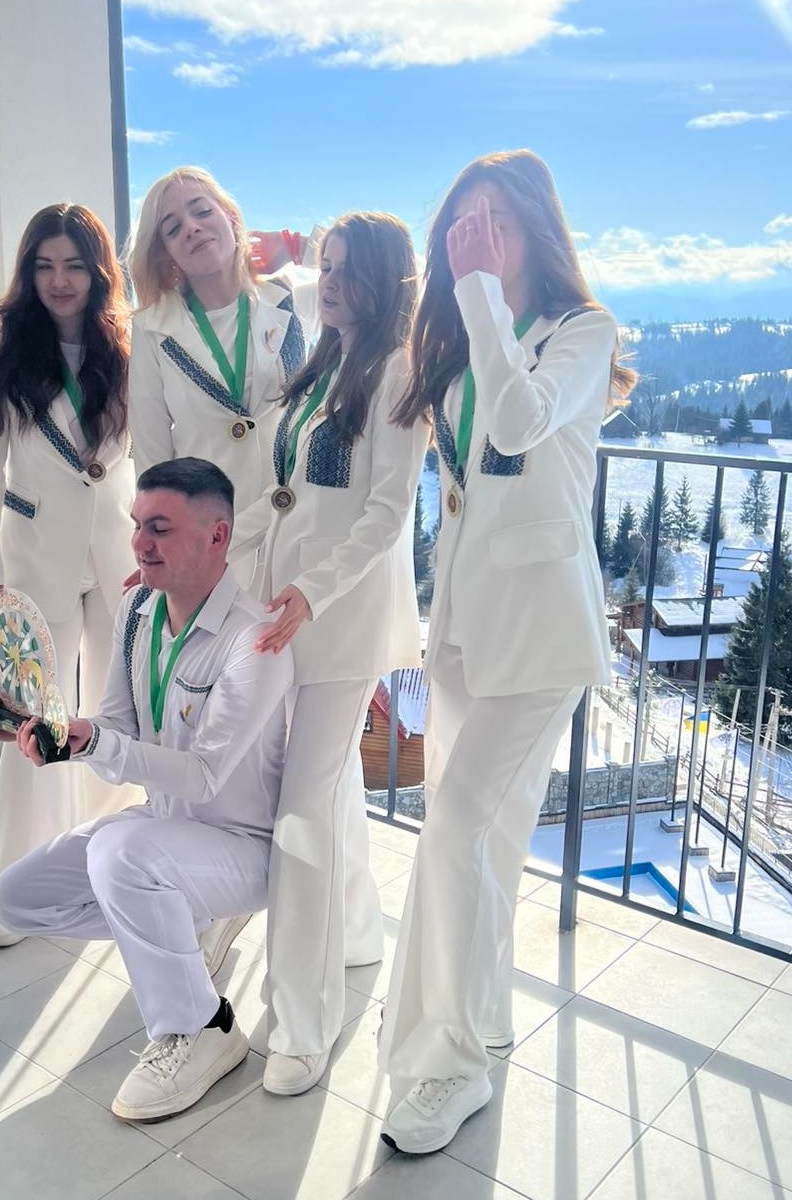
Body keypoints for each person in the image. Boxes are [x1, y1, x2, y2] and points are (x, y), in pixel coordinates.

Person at [376, 150, 636, 1153]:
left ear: (536, 228)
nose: (476, 237)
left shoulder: (581, 332)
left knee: (451, 832)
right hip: (465, 631)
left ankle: (450, 1064)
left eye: (495, 220)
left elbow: (522, 421)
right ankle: (482, 1020)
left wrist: (478, 292)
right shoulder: (462, 350)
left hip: (544, 636)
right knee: (485, 844)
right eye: (462, 225)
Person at [0, 458, 294, 1121]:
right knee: (17, 897)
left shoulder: (252, 640)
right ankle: (178, 919)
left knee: (122, 856)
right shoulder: (138, 609)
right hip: (164, 832)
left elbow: (203, 774)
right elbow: (113, 727)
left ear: (218, 537)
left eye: (160, 528)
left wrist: (95, 744)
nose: (139, 543)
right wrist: (29, 727)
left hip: (241, 847)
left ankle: (201, 1028)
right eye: (137, 525)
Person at [229, 212, 428, 1095]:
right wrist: (199, 558)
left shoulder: (396, 371)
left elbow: (386, 513)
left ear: (386, 280)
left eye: (349, 270)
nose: (333, 283)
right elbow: (279, 494)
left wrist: (312, 591)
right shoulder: (322, 364)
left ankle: (304, 1023)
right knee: (321, 789)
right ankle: (352, 936)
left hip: (337, 624)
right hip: (282, 610)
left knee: (300, 812)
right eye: (328, 267)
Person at [0, 202, 135, 947]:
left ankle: (109, 873)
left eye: (74, 266)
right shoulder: (1, 345)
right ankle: (17, 888)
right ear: (28, 272)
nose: (60, 280)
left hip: (121, 557)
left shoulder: (125, 344)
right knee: (33, 717)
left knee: (115, 716)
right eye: (45, 265)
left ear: (98, 273)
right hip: (33, 556)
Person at [125, 168, 316, 549]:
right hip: (211, 543)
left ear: (231, 217)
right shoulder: (153, 329)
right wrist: (164, 547)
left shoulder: (292, 298)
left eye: (202, 211)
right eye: (173, 228)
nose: (192, 228)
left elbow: (390, 274)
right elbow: (152, 457)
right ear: (165, 252)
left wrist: (301, 247)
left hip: (298, 531)